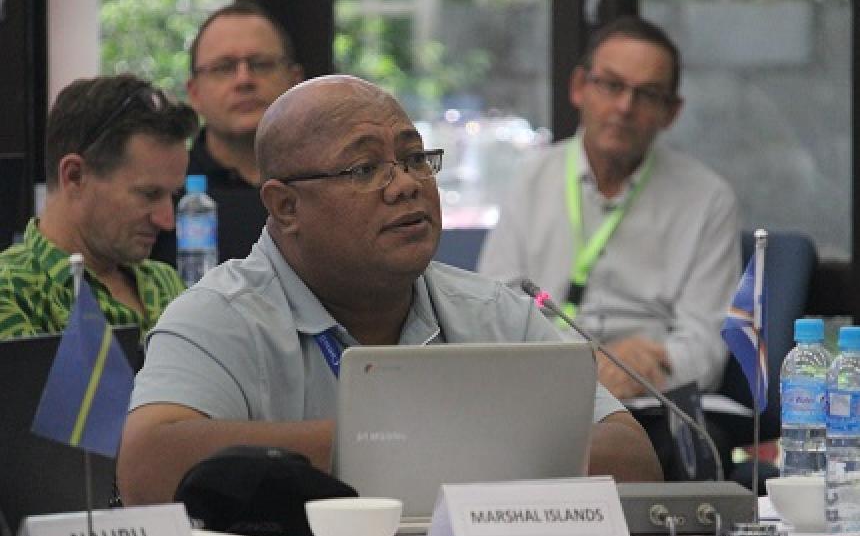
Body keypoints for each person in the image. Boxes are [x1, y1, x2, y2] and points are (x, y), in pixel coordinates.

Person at [118, 75, 663, 505]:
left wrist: (423, 448)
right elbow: (150, 464)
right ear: (286, 207)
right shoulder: (220, 316)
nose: (405, 183)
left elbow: (633, 460)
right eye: (363, 168)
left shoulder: (496, 312)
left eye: (414, 158)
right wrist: (396, 441)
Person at [478, 16, 740, 401]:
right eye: (611, 85)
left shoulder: (707, 199)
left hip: (649, 400)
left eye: (648, 94)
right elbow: (492, 314)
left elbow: (705, 348)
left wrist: (633, 371)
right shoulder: (532, 178)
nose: (624, 106)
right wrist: (578, 370)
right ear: (579, 87)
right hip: (543, 390)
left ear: (672, 112)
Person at [0, 74, 197, 339]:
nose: (167, 220)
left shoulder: (165, 284)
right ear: (74, 176)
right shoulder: (14, 292)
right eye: (149, 194)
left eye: (172, 195)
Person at [150, 1, 304, 267]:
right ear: (194, 93)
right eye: (224, 67)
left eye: (261, 64)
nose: (244, 80)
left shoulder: (330, 181)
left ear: (295, 81)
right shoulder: (162, 190)